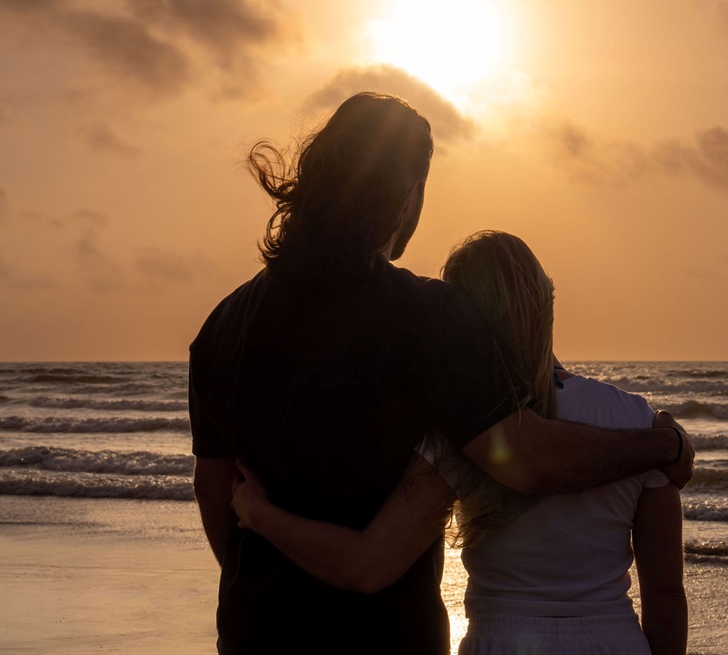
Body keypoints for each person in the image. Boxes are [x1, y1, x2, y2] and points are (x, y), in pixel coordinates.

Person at [189, 93, 693, 654]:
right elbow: (527, 458)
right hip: (384, 637)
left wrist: (265, 580)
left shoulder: (221, 327)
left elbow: (215, 492)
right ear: (406, 195)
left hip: (254, 630)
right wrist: (662, 447)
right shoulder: (430, 317)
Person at [232, 231, 687, 655]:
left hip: (500, 641)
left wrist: (259, 513)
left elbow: (366, 565)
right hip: (615, 640)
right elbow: (665, 593)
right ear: (545, 302)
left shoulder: (464, 432)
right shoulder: (640, 422)